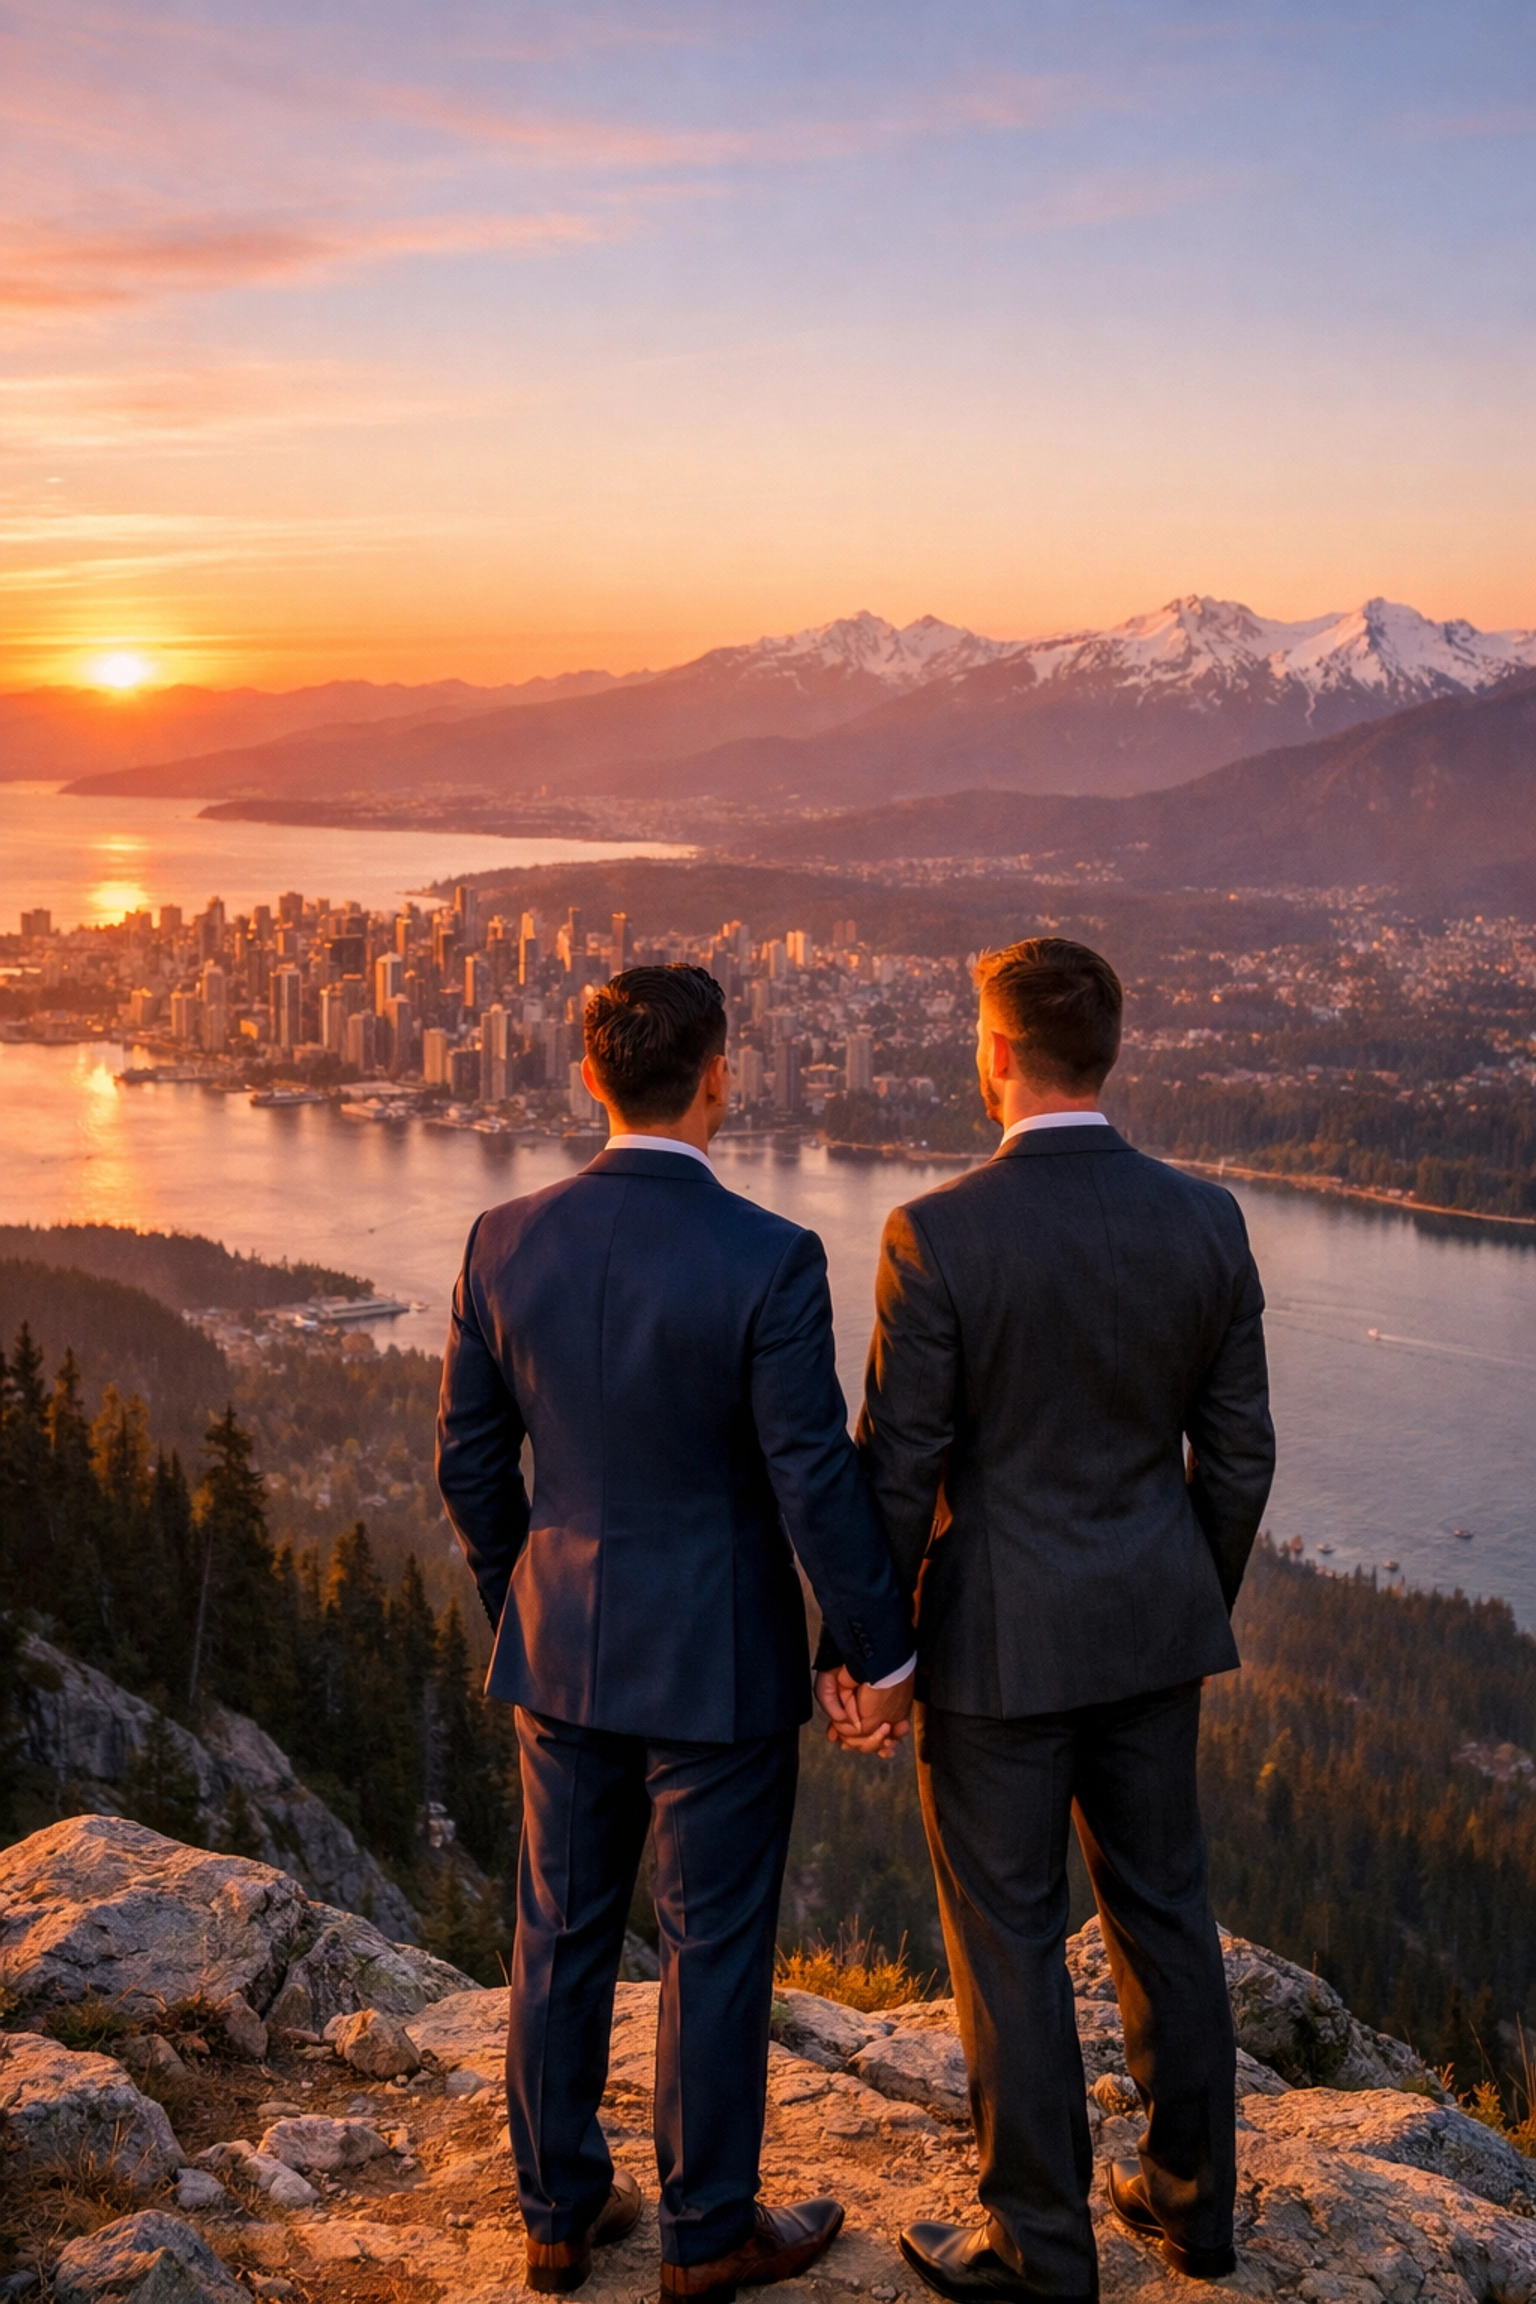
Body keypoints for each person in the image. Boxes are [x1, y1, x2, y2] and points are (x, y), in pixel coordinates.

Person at [436, 964, 914, 2304]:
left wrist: (519, 1601)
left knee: (560, 1929)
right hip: (721, 1662)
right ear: (719, 1075)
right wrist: (873, 1653)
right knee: (712, 1945)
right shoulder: (769, 1257)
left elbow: (471, 1472)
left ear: (589, 1078)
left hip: (564, 1643)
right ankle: (706, 2234)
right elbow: (813, 1480)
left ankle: (556, 2215)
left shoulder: (501, 1239)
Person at [840, 937, 1275, 2302]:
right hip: (1153, 1630)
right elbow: (1242, 1458)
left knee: (1009, 1935)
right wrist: (1176, 1597)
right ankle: (1196, 2209)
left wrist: (875, 1653)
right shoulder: (1208, 1219)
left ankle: (1038, 2239)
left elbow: (898, 1473)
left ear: (1002, 1055)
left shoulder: (938, 1232)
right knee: (1164, 1912)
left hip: (996, 1654)